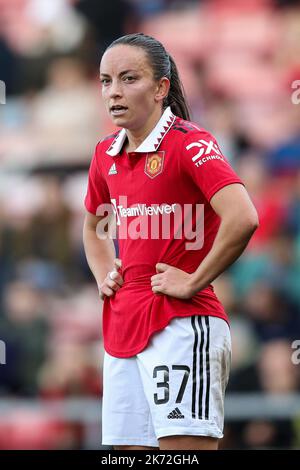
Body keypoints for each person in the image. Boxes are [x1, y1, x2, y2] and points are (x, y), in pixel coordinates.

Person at [83, 33, 259, 451]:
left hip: (181, 322)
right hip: (123, 324)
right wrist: (104, 272)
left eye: (129, 79)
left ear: (161, 88)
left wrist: (195, 279)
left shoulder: (190, 142)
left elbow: (244, 217)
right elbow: (93, 228)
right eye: (106, 81)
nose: (114, 92)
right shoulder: (104, 154)